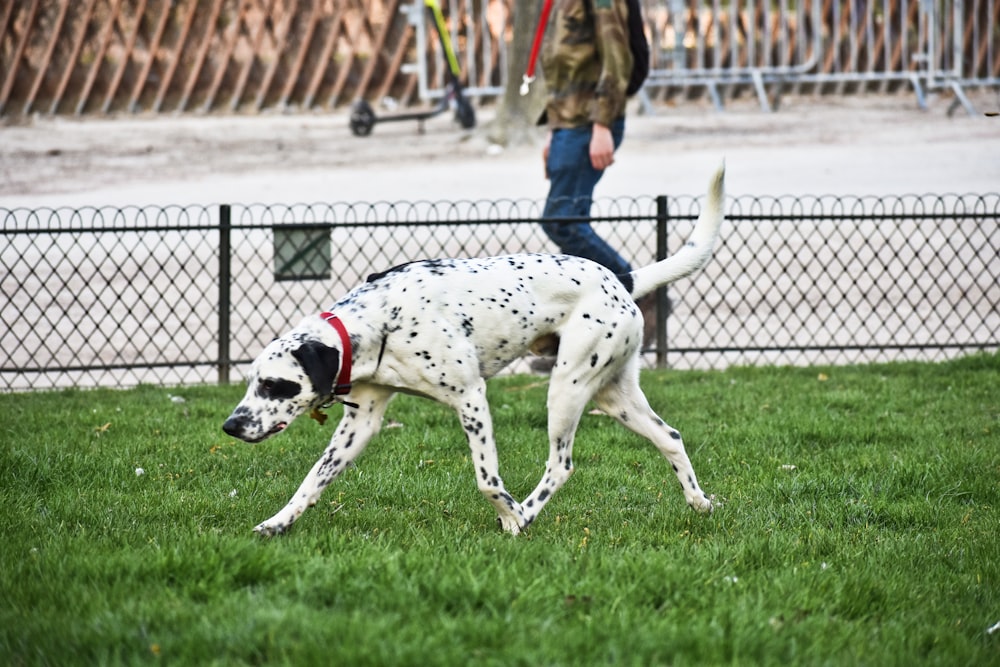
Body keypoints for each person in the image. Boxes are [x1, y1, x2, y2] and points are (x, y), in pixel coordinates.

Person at [531, 0, 662, 371]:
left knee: (563, 222)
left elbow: (616, 56)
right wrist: (555, 132)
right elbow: (564, 64)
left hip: (589, 124)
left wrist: (602, 125)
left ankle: (637, 293)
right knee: (566, 220)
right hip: (568, 124)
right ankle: (589, 334)